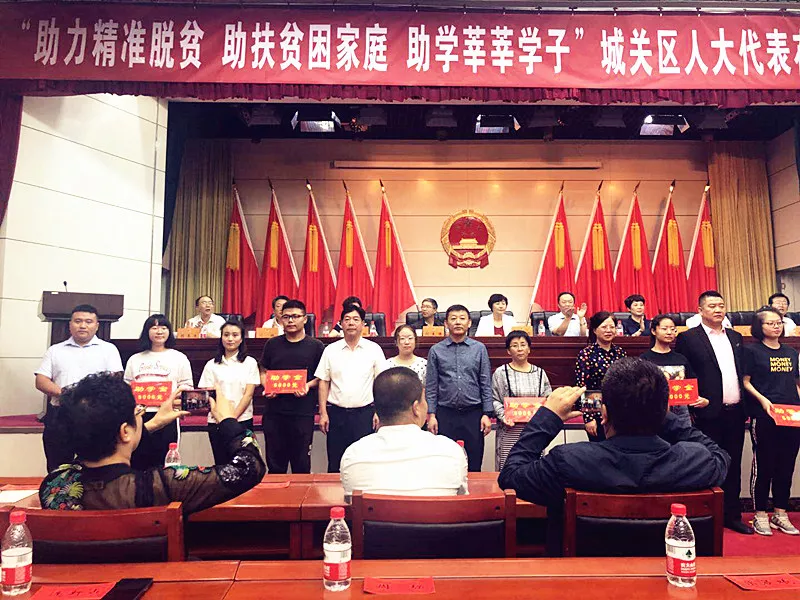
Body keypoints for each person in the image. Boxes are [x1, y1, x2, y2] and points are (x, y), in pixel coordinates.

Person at [498, 358, 729, 508]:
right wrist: (656, 410)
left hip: (585, 570)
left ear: (605, 413)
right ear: (664, 410)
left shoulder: (569, 461)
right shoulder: (697, 462)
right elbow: (720, 454)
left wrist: (548, 416)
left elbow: (510, 476)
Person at [39, 372, 265, 514]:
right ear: (125, 431)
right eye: (138, 411)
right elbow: (248, 468)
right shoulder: (163, 485)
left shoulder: (56, 483)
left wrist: (152, 424)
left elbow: (111, 448)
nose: (140, 415)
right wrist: (228, 421)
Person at [675, 290, 751, 534]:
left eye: (721, 305)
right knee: (706, 463)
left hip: (735, 412)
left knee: (733, 464)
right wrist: (692, 403)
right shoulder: (688, 338)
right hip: (707, 413)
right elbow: (684, 373)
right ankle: (705, 516)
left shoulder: (736, 337)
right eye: (712, 306)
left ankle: (732, 515)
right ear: (700, 310)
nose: (718, 309)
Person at [340, 367, 468, 497]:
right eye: (424, 400)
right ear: (416, 408)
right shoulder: (451, 452)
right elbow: (462, 499)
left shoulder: (353, 456)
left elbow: (350, 502)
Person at [35, 304, 124, 472]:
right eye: (78, 321)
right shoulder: (55, 350)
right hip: (61, 414)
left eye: (88, 322)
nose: (83, 325)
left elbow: (115, 379)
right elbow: (41, 380)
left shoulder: (108, 350)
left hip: (96, 415)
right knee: (58, 466)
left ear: (96, 325)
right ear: (70, 324)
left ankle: (92, 491)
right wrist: (66, 394)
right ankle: (59, 490)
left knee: (96, 466)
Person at [743, 308, 800, 536]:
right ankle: (760, 514)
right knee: (764, 465)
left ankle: (780, 513)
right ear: (759, 326)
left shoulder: (791, 352)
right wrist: (763, 401)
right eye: (770, 323)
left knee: (786, 465)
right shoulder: (751, 351)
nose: (776, 326)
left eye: (779, 323)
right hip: (765, 415)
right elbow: (746, 382)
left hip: (791, 415)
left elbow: (795, 382)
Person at [316, 304, 385, 473]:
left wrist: (379, 411)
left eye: (356, 319)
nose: (351, 323)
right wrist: (323, 413)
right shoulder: (331, 350)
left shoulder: (374, 349)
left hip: (365, 415)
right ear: (341, 324)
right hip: (337, 414)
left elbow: (381, 381)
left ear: (363, 324)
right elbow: (323, 382)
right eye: (347, 319)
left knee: (364, 461)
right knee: (336, 462)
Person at [260, 299, 325, 474]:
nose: (290, 320)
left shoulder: (316, 346)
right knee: (275, 466)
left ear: (305, 319)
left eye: (295, 316)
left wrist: (307, 385)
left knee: (301, 465)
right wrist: (267, 386)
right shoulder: (272, 344)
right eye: (286, 316)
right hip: (274, 413)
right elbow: (263, 370)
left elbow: (322, 377)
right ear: (280, 319)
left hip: (302, 413)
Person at [426, 305, 493, 472]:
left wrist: (487, 413)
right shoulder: (436, 350)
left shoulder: (479, 349)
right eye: (453, 318)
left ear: (469, 323)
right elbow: (432, 385)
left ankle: (474, 490)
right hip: (445, 413)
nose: (458, 322)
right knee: (444, 462)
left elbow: (485, 382)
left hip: (473, 413)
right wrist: (431, 415)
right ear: (446, 323)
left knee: (475, 462)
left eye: (462, 318)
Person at [124, 314, 194, 470]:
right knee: (138, 458)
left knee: (165, 461)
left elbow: (187, 386)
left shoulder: (179, 358)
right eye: (154, 328)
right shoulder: (135, 359)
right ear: (147, 331)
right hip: (140, 416)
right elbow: (126, 387)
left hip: (168, 415)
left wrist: (176, 399)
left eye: (163, 328)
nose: (159, 331)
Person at [198, 320, 260, 464]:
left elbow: (248, 395)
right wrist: (222, 420)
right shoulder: (211, 364)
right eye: (226, 335)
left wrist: (231, 420)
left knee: (244, 464)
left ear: (242, 338)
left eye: (235, 335)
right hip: (216, 421)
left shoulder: (250, 362)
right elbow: (208, 396)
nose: (230, 339)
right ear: (221, 337)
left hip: (242, 420)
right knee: (221, 464)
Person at [492, 331, 552, 471]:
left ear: (529, 349)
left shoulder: (540, 373)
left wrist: (541, 419)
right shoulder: (501, 372)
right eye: (514, 345)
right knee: (507, 469)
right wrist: (504, 416)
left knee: (533, 470)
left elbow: (548, 399)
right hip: (509, 430)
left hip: (534, 430)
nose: (519, 349)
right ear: (508, 351)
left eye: (523, 345)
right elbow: (494, 399)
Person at [640, 314, 709, 427]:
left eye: (672, 329)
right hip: (655, 412)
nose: (669, 332)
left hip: (681, 414)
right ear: (653, 331)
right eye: (664, 329)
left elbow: (693, 383)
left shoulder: (681, 358)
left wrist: (700, 399)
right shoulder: (645, 359)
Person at [575, 311, 627, 442]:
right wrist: (589, 417)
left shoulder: (620, 352)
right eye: (604, 327)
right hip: (596, 411)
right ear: (594, 330)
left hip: (619, 410)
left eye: (612, 327)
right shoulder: (586, 354)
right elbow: (582, 386)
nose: (609, 330)